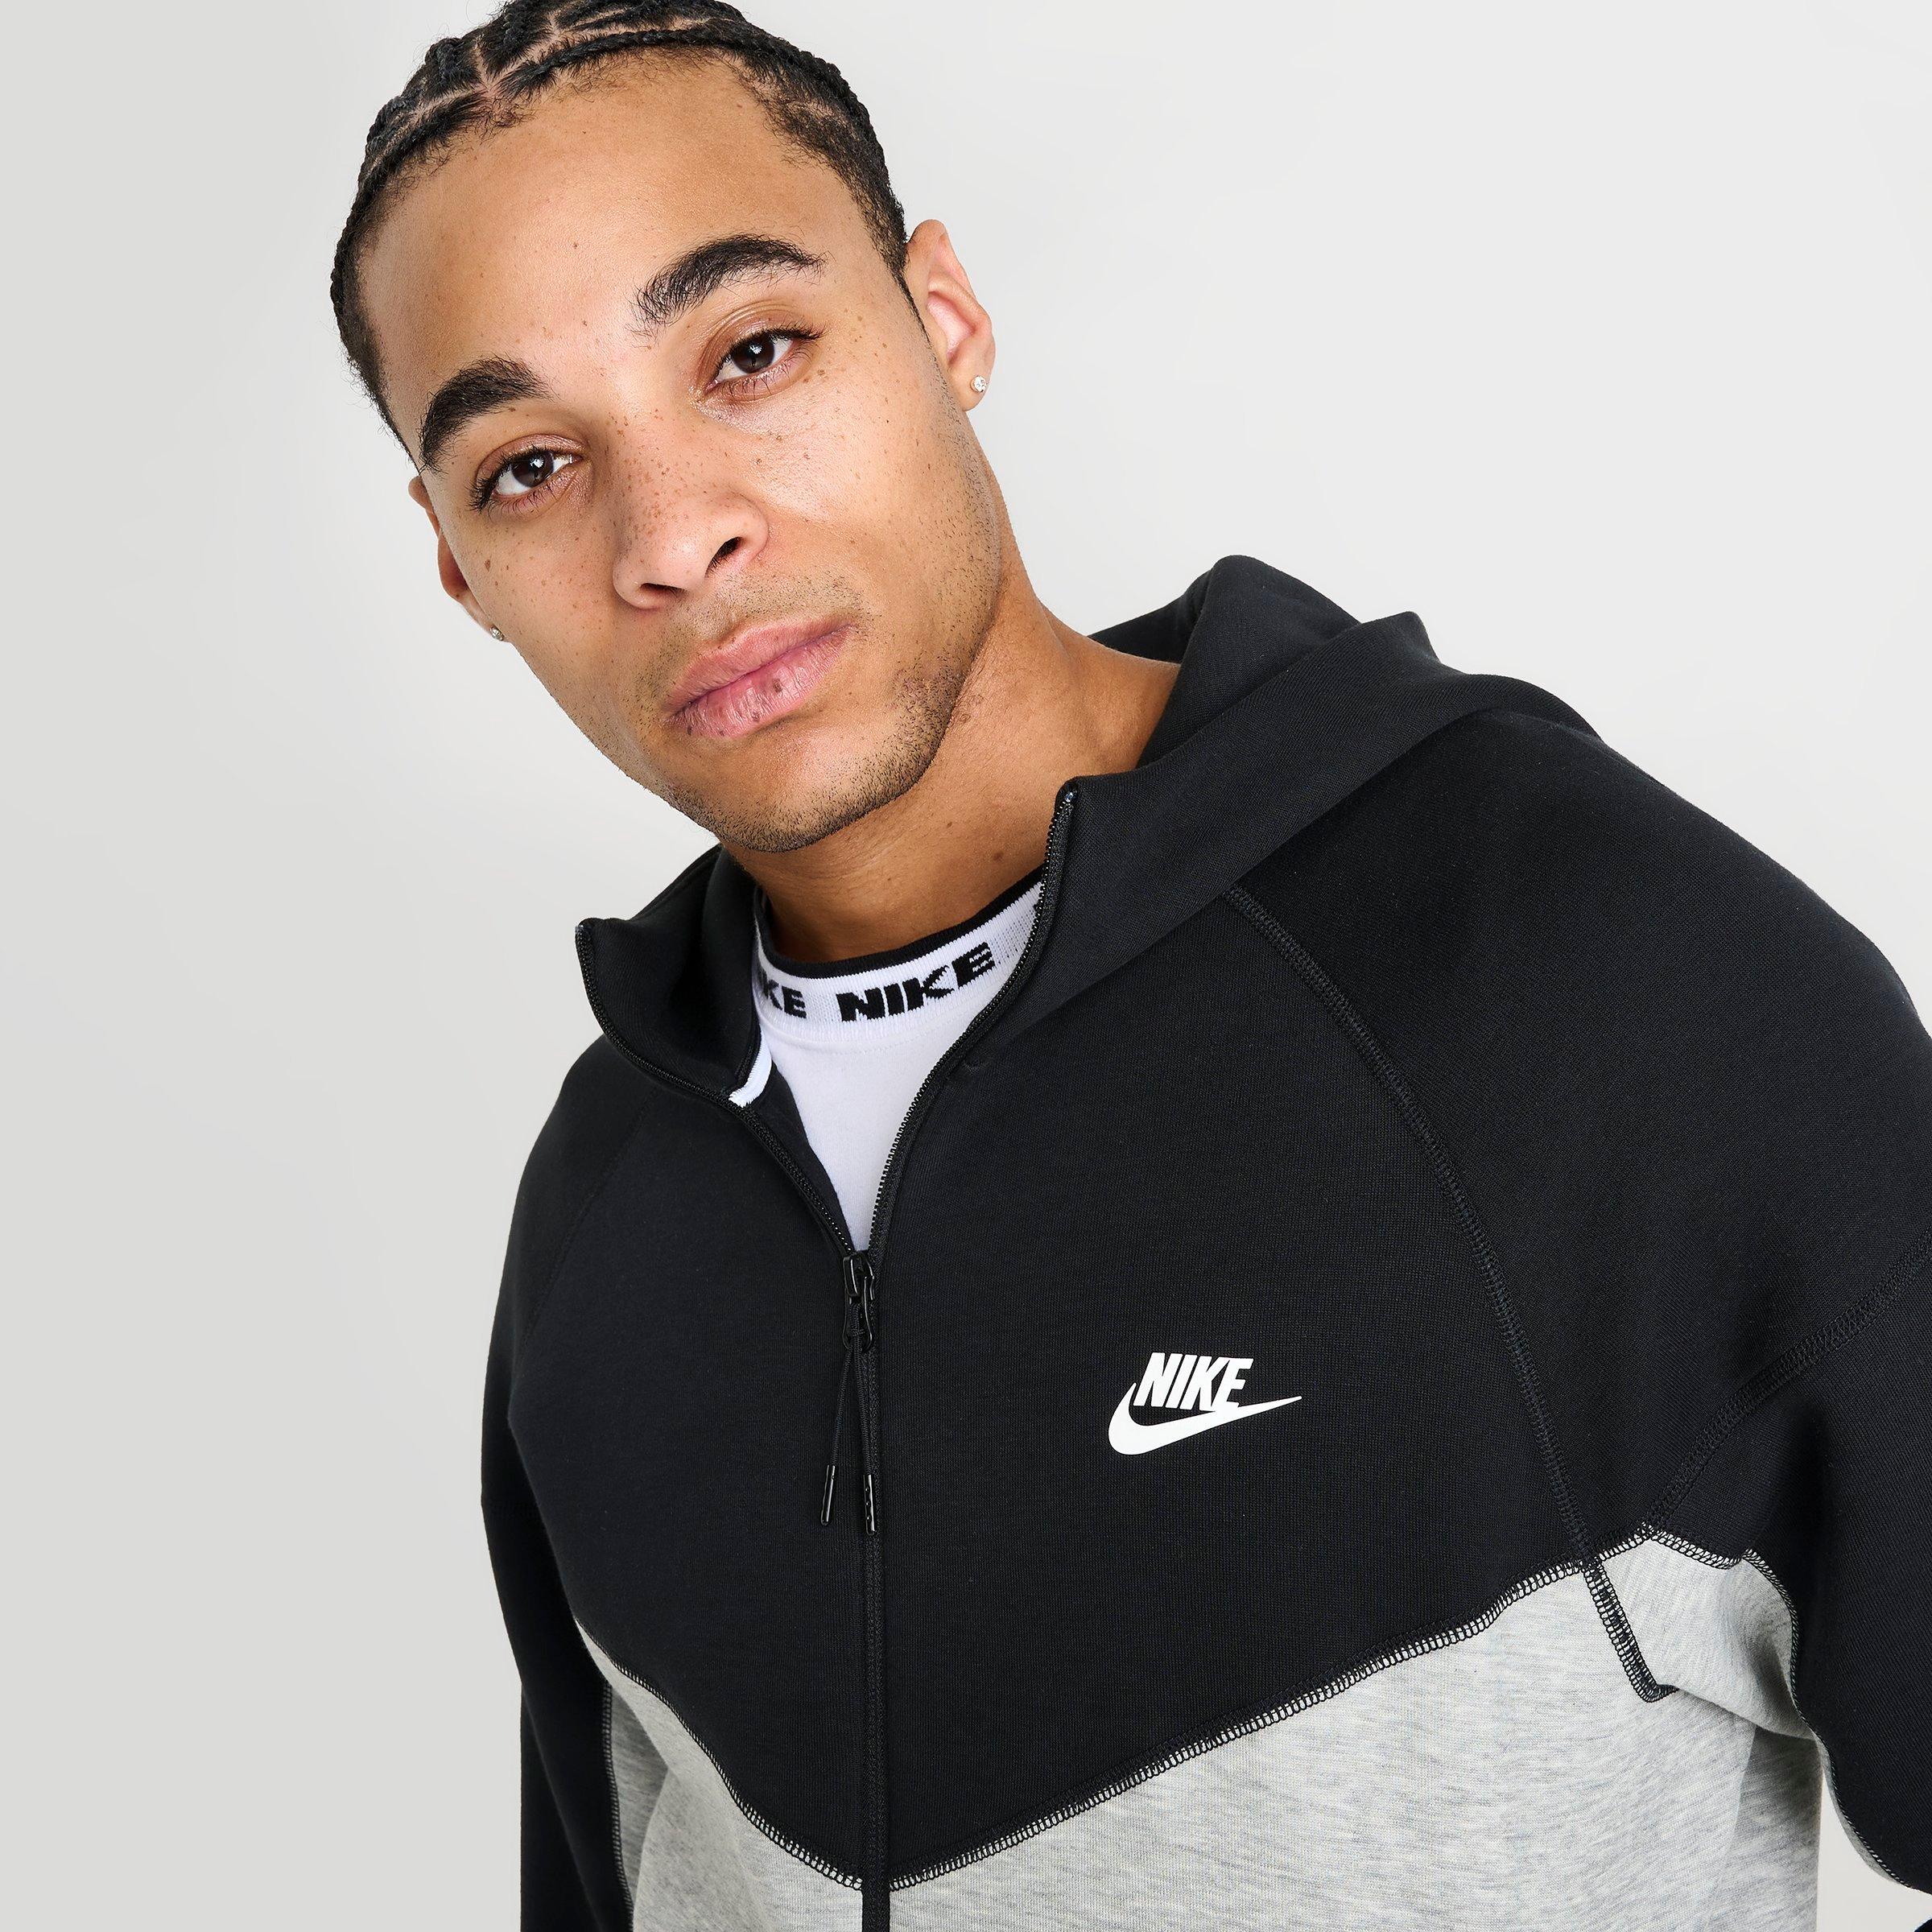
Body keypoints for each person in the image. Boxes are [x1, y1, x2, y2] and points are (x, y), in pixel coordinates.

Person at [329, 5, 1932, 1926]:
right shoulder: (610, 1211)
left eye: (751, 353)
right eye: (528, 466)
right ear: (457, 565)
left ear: (945, 320)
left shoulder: (1598, 982)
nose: (675, 536)